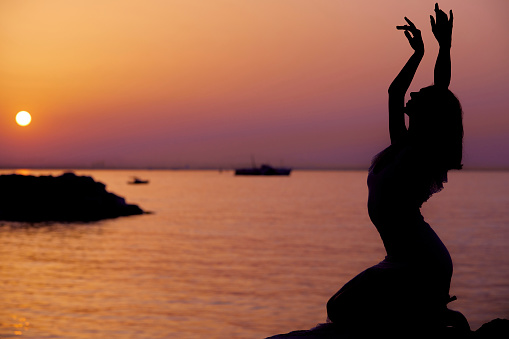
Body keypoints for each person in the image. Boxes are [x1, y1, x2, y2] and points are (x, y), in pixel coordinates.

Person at [326, 4, 469, 337]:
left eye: (421, 95)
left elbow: (440, 93)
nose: (413, 93)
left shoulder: (421, 155)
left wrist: (444, 47)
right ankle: (434, 315)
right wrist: (418, 52)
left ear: (430, 114)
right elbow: (394, 93)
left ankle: (436, 317)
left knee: (343, 311)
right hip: (400, 259)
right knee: (339, 307)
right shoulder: (402, 147)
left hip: (422, 262)